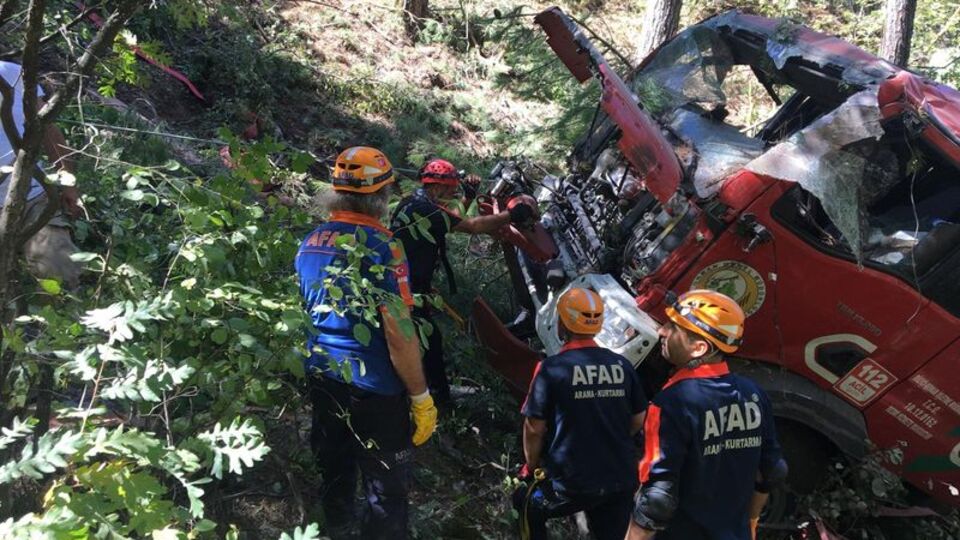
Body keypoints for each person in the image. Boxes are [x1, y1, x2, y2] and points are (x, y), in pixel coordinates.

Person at [296, 146, 438, 539]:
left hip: (322, 374)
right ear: (381, 196)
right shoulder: (384, 247)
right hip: (374, 387)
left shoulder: (310, 241)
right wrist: (421, 396)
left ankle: (337, 527)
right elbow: (399, 331)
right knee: (387, 486)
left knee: (334, 463)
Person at [626, 290, 788, 540]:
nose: (662, 331)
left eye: (673, 327)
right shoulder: (754, 395)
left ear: (699, 348)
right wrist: (751, 522)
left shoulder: (670, 404)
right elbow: (772, 471)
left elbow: (657, 500)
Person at [389, 158, 534, 404]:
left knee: (423, 340)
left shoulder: (414, 202)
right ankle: (436, 399)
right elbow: (471, 226)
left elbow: (450, 219)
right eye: (450, 189)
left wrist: (467, 198)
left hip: (408, 283)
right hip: (407, 288)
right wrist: (511, 215)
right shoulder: (427, 209)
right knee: (428, 342)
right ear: (436, 187)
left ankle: (425, 393)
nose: (452, 193)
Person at [514, 287, 647, 540]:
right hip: (619, 479)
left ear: (562, 323)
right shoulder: (622, 365)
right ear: (597, 325)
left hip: (571, 485)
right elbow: (638, 419)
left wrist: (530, 468)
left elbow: (534, 428)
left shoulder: (551, 369)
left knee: (526, 502)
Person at [0, 60, 81, 287]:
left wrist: (69, 184)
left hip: (31, 197)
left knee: (58, 269)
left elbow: (47, 131)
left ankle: (66, 317)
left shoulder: (12, 74)